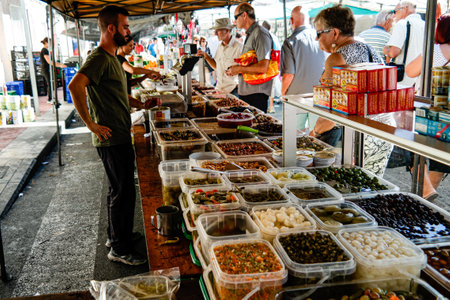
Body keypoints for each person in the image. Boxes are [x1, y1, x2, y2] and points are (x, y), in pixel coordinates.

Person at [68, 5, 160, 266]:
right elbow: (75, 86)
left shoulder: (113, 58)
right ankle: (119, 249)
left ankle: (116, 235)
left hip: (120, 132)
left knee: (117, 189)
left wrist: (142, 105)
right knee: (124, 191)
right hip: (111, 137)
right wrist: (90, 124)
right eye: (126, 26)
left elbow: (119, 95)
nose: (129, 31)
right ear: (111, 29)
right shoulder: (98, 58)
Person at [314, 5, 392, 176]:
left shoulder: (336, 58)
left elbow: (333, 111)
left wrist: (313, 133)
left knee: (352, 188)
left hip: (359, 138)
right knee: (371, 187)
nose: (316, 38)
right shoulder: (367, 48)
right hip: (383, 132)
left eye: (319, 33)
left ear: (334, 33)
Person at [401, 13, 450, 200]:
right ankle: (428, 193)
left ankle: (426, 190)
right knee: (441, 153)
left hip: (428, 110)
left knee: (416, 148)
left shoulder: (433, 50)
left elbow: (411, 71)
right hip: (448, 111)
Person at [280, 5, 326, 131]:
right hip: (319, 97)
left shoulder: (290, 41)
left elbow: (289, 74)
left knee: (294, 138)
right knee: (316, 138)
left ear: (291, 20)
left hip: (296, 98)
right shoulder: (322, 38)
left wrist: (283, 93)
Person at [226, 3, 274, 112]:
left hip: (256, 94)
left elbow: (263, 67)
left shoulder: (260, 33)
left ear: (244, 15)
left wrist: (239, 69)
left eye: (235, 17)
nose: (234, 21)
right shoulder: (251, 34)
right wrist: (236, 69)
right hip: (249, 92)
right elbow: (253, 63)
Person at [383, 1, 425, 87]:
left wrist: (386, 50)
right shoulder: (425, 25)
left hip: (403, 80)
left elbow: (393, 52)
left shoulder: (402, 24)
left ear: (405, 8)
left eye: (395, 11)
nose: (394, 15)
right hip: (420, 79)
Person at [197, 18, 243, 95]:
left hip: (233, 91)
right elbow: (216, 67)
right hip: (219, 90)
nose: (215, 33)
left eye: (218, 30)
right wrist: (206, 56)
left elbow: (246, 71)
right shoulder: (220, 47)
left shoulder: (239, 48)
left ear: (227, 31)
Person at [116, 38, 161, 109]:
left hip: (127, 100)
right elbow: (132, 70)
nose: (132, 48)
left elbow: (128, 83)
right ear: (122, 46)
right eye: (130, 46)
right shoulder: (118, 59)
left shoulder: (123, 59)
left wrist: (145, 77)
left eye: (133, 46)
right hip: (121, 102)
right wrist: (151, 71)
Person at [262, 20, 281, 114]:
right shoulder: (275, 37)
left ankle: (269, 106)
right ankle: (271, 106)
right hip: (275, 65)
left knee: (267, 86)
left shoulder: (265, 37)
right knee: (272, 85)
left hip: (267, 65)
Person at [40, 37, 67, 103]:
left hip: (48, 69)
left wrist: (60, 64)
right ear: (46, 42)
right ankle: (50, 99)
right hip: (46, 69)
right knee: (50, 83)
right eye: (50, 43)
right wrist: (60, 65)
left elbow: (52, 61)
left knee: (51, 83)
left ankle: (51, 98)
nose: (51, 44)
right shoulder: (44, 50)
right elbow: (49, 62)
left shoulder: (46, 50)